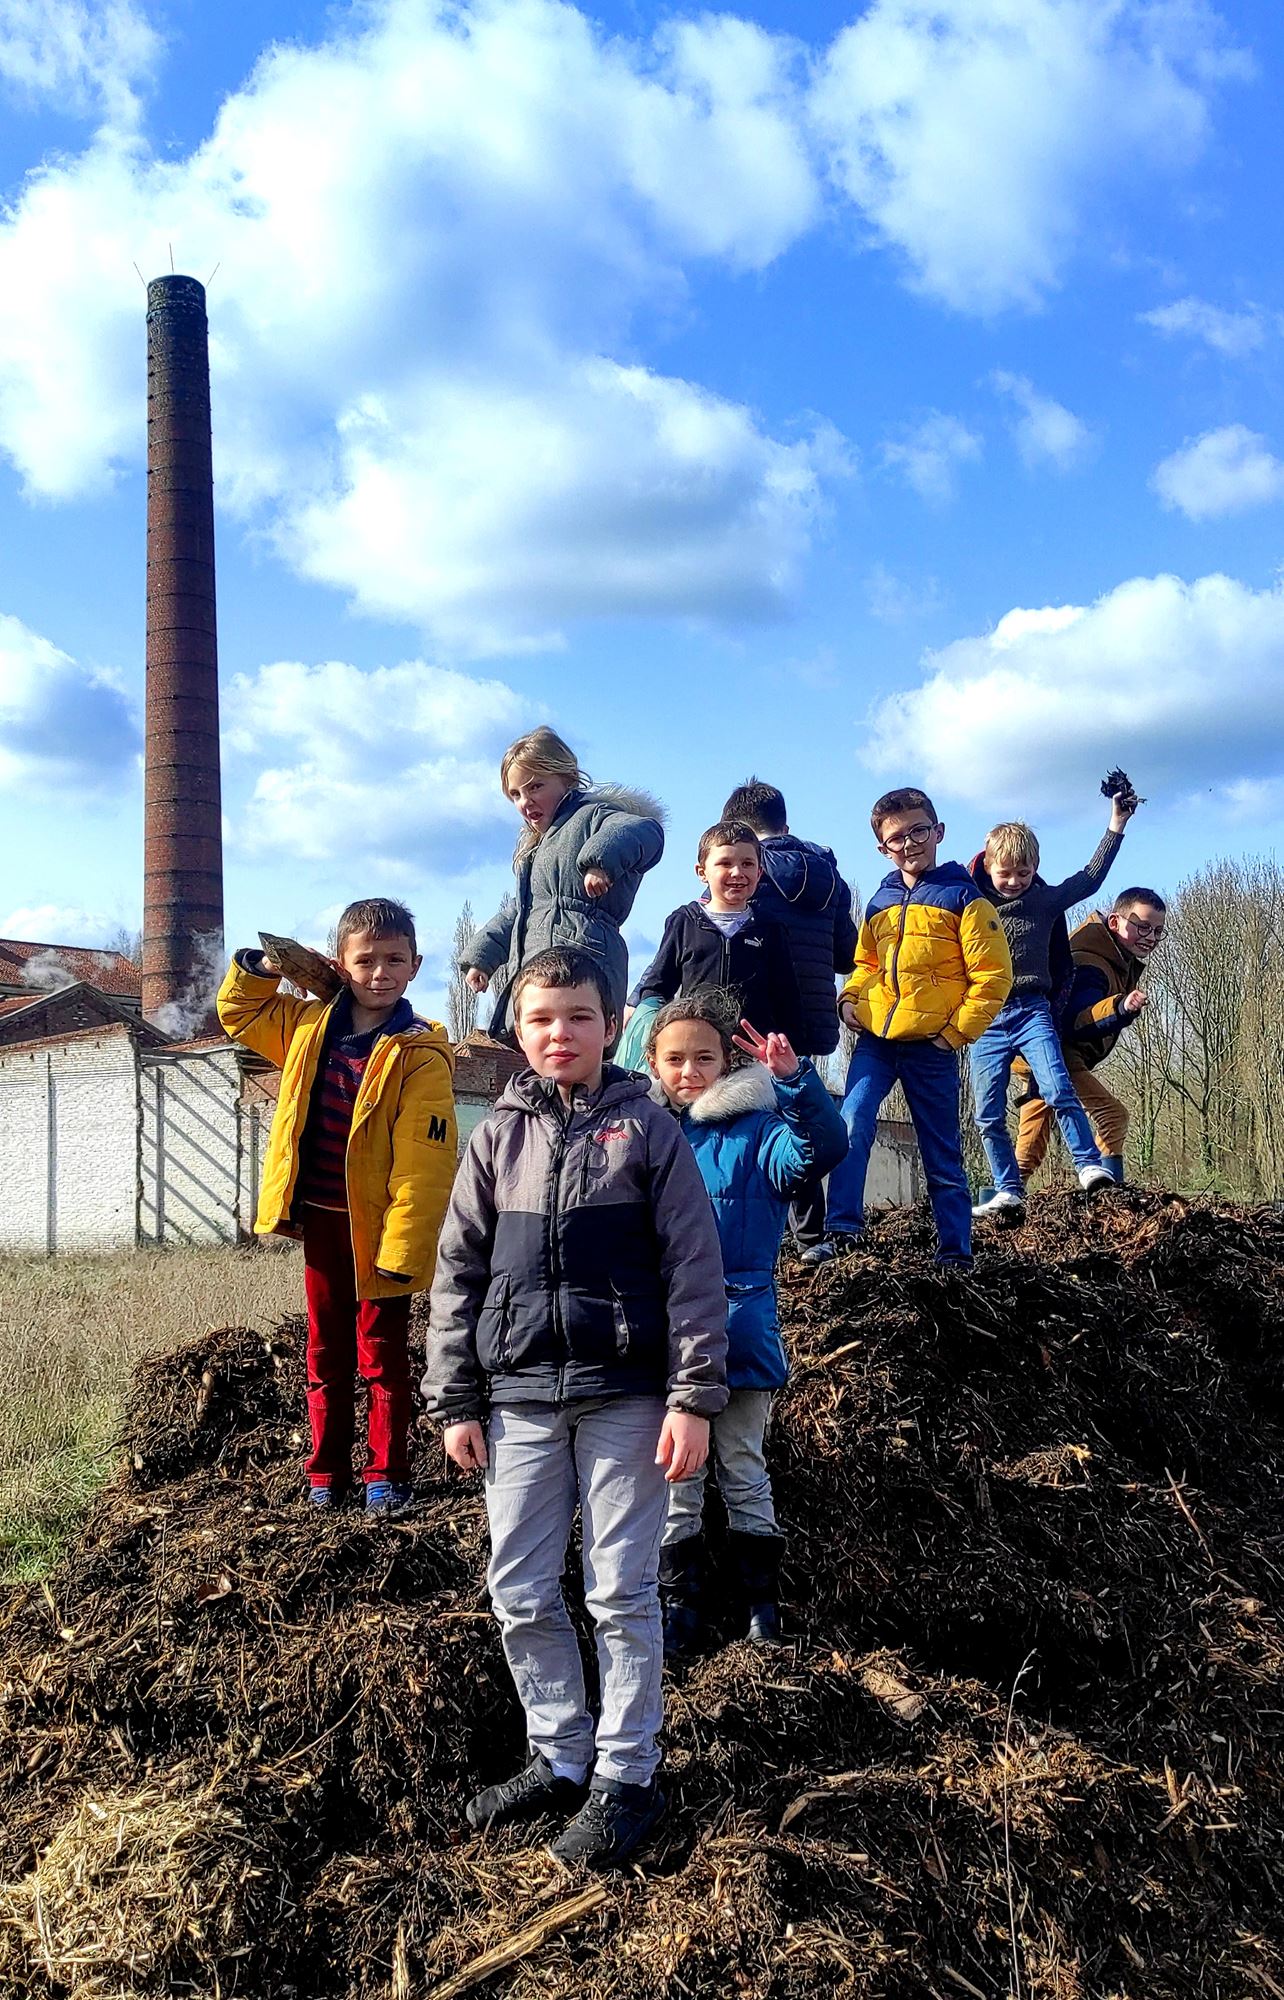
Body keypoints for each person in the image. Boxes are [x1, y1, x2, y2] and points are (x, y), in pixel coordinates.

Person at [423, 948, 727, 1870]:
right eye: (542, 1018)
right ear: (518, 1030)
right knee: (519, 1590)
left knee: (619, 1592)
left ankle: (627, 1777)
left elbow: (694, 1271)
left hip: (627, 1396)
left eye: (580, 1017)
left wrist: (693, 1398)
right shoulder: (495, 1138)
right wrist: (455, 1397)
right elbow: (457, 1274)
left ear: (611, 1025)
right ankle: (559, 1757)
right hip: (516, 1401)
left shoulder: (648, 1131)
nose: (560, 1033)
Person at [216, 899, 456, 1513]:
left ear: (416, 966)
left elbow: (423, 1165)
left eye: (395, 960)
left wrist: (403, 1248)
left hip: (379, 1229)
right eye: (365, 960)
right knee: (325, 1352)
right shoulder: (305, 1025)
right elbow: (239, 1012)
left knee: (382, 1355)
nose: (380, 973)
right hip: (321, 1219)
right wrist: (265, 967)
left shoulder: (420, 1053)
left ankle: (386, 1476)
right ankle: (325, 1475)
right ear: (338, 964)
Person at [647, 991, 847, 1658]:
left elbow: (822, 1149)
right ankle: (679, 1606)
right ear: (653, 1062)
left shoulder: (760, 1132)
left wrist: (796, 1082)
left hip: (740, 1326)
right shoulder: (645, 1133)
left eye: (704, 1057)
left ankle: (762, 1608)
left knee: (741, 1465)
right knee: (675, 1475)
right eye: (675, 1059)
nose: (689, 1071)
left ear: (727, 1062)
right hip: (665, 1334)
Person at [803, 788, 1012, 1270]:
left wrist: (953, 1034)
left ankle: (955, 1252)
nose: (910, 843)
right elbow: (865, 964)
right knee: (851, 1123)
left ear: (938, 832)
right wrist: (849, 999)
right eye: (897, 838)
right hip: (875, 1041)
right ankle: (842, 1230)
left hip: (932, 1046)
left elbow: (993, 977)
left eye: (919, 831)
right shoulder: (879, 901)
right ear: (883, 848)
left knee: (941, 1149)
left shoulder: (967, 899)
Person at [969, 787, 1138, 1219]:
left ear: (1036, 868)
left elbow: (1090, 878)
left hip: (1032, 1012)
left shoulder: (1043, 901)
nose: (1014, 882)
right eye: (1006, 873)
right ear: (988, 866)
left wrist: (1116, 825)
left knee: (1058, 1087)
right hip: (987, 1016)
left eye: (1023, 873)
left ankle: (1088, 1166)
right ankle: (1007, 1189)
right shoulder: (971, 901)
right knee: (987, 1113)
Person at [721, 777, 858, 1253]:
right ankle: (811, 1237)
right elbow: (847, 954)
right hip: (809, 1019)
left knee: (746, 1123)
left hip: (754, 1018)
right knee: (800, 1118)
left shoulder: (747, 872)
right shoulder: (829, 876)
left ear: (738, 828)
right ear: (785, 822)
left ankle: (759, 1233)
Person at [461, 726, 664, 1039]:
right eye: (515, 794)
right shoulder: (536, 849)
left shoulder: (593, 815)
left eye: (535, 786)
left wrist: (600, 861)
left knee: (579, 1047)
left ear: (567, 778)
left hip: (584, 967)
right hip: (536, 976)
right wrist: (482, 957)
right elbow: (521, 913)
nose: (525, 801)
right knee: (538, 1048)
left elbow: (645, 832)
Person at [1015, 887, 1167, 1185]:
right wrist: (1120, 1007)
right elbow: (1077, 1020)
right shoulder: (1090, 964)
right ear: (1115, 922)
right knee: (1113, 1116)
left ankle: (1003, 1195)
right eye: (1142, 927)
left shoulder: (1114, 959)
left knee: (1030, 1143)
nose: (1150, 937)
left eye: (1158, 931)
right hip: (1058, 1054)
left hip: (1047, 1056)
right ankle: (1106, 1195)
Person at [629, 821, 805, 1046]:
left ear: (759, 872)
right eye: (725, 863)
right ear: (702, 872)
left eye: (747, 864)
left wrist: (792, 1051)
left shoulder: (770, 928)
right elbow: (657, 987)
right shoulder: (684, 922)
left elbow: (788, 999)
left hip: (754, 1054)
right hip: (697, 1050)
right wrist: (654, 1034)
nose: (737, 872)